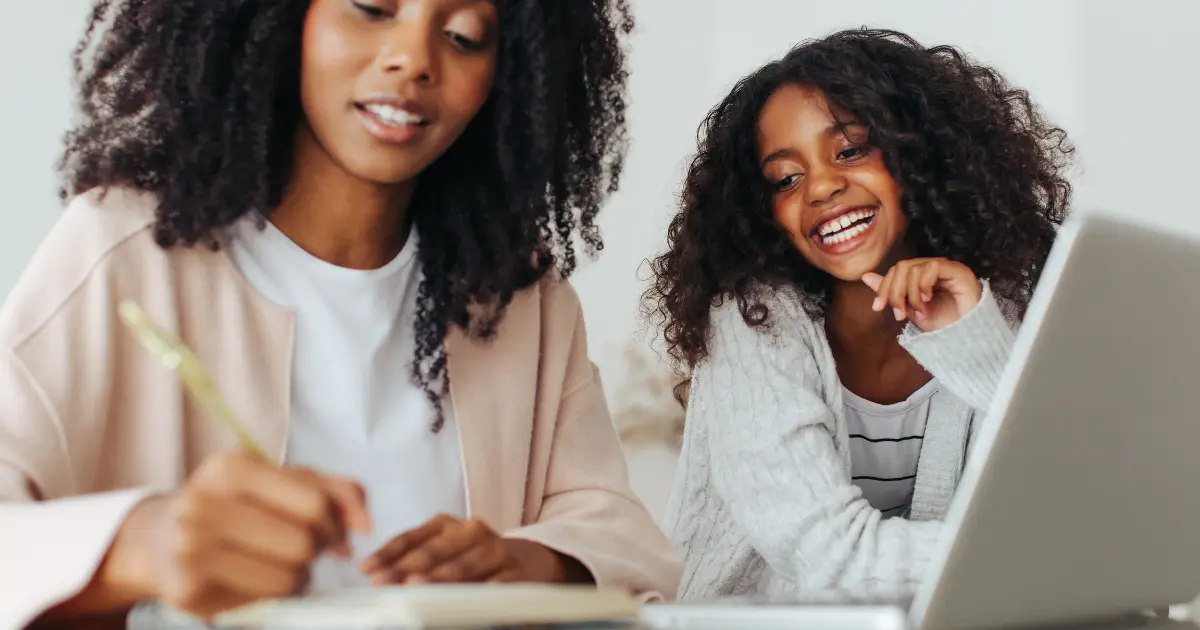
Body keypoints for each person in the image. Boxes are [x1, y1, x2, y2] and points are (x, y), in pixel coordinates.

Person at [0, 0, 681, 627]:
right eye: (371, 7)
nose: (414, 59)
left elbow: (625, 540)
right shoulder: (127, 251)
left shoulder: (519, 295)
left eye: (464, 37)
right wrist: (140, 542)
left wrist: (522, 561)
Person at [644, 28, 1072, 599]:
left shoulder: (1004, 297)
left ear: (920, 153)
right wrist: (1037, 564)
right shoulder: (750, 321)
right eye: (786, 179)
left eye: (850, 150)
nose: (821, 187)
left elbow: (1079, 495)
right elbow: (833, 559)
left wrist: (977, 348)